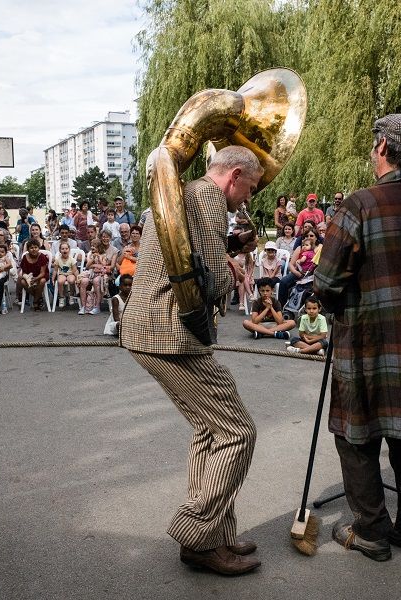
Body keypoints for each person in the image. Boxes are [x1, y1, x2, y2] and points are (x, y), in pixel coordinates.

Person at [120, 145, 262, 575]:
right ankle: (199, 536)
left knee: (210, 428)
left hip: (153, 329)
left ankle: (214, 532)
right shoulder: (209, 197)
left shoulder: (192, 192)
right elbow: (212, 276)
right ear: (234, 175)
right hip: (170, 333)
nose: (250, 198)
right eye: (251, 188)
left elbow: (194, 255)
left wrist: (228, 248)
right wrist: (232, 264)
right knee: (238, 432)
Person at [314, 114, 401, 562]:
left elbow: (326, 280)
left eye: (374, 145)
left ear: (385, 146)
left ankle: (371, 531)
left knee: (357, 437)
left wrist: (336, 304)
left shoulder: (359, 204)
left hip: (365, 342)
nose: (372, 152)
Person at [18, 239, 49, 311]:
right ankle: (38, 297)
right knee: (22, 282)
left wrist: (35, 279)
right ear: (28, 249)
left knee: (42, 281)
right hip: (29, 276)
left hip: (40, 276)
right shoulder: (25, 257)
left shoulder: (42, 257)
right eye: (31, 248)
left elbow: (43, 273)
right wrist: (28, 278)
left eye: (36, 247)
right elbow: (24, 272)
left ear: (38, 248)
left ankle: (35, 301)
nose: (34, 249)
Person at [54, 243, 80, 308]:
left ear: (69, 250)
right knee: (60, 281)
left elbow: (75, 270)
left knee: (71, 280)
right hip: (62, 274)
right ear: (60, 250)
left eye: (66, 248)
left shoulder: (72, 260)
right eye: (62, 249)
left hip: (70, 273)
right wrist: (53, 278)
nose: (64, 250)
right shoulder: (58, 260)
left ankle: (71, 295)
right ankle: (61, 297)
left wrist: (78, 278)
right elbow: (55, 270)